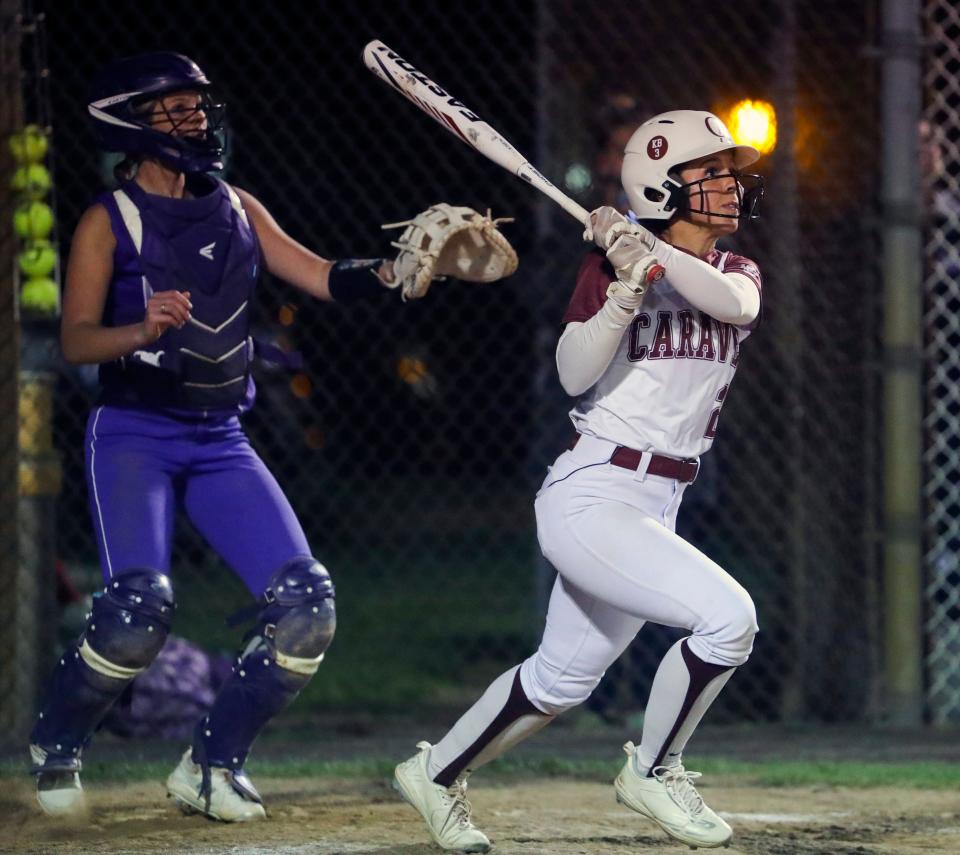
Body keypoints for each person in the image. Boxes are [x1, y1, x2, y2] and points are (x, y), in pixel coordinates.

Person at [28, 51, 410, 821]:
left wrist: (404, 269)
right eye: (171, 108)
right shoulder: (111, 219)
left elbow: (323, 275)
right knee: (136, 614)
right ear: (128, 123)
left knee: (307, 607)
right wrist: (140, 327)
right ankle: (58, 741)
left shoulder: (236, 205)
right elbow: (74, 341)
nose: (194, 118)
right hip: (135, 428)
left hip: (219, 436)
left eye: (197, 105)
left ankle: (210, 764)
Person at [392, 109, 766, 852]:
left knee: (560, 681)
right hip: (593, 495)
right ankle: (654, 771)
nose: (729, 186)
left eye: (729, 172)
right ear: (663, 186)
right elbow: (572, 374)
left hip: (660, 505)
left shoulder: (734, 271)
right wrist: (626, 286)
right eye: (710, 173)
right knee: (729, 620)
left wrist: (647, 246)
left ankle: (434, 774)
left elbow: (734, 306)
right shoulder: (609, 268)